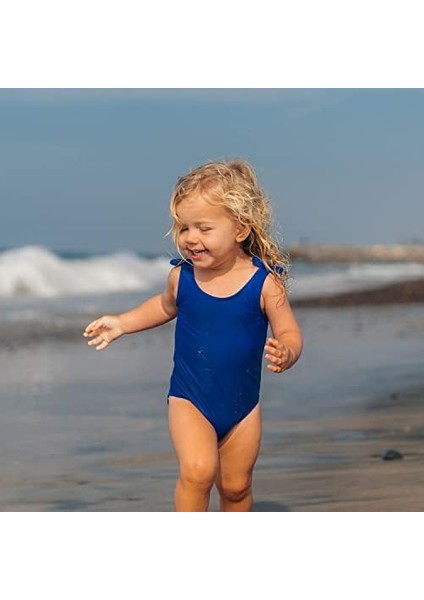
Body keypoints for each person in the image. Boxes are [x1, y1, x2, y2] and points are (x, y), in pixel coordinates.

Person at [83, 159, 303, 512]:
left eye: (204, 228)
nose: (190, 238)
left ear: (241, 229)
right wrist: (122, 323)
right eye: (184, 228)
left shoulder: (264, 282)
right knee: (198, 472)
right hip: (190, 398)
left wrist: (288, 351)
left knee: (236, 487)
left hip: (243, 406)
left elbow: (288, 330)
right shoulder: (182, 277)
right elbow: (162, 307)